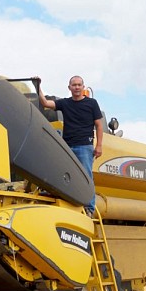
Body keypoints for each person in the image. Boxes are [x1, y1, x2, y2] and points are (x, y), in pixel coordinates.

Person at [34, 75, 103, 214]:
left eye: (79, 85)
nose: (77, 87)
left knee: (86, 176)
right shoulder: (65, 103)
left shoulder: (92, 103)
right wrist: (37, 86)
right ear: (69, 88)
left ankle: (89, 208)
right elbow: (46, 103)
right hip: (67, 146)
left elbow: (99, 125)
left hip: (84, 146)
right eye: (74, 85)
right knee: (63, 173)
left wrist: (99, 145)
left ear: (83, 87)